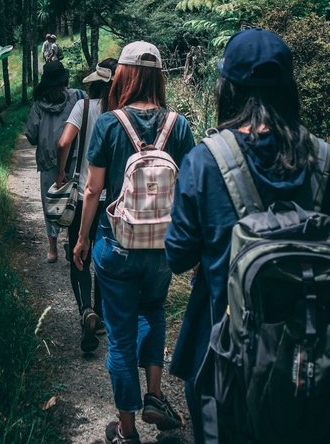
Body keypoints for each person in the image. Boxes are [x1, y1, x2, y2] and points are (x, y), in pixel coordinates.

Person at [164, 27, 330, 444]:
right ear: (289, 89)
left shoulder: (206, 161)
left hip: (226, 364)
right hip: (312, 364)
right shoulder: (327, 162)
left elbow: (177, 256)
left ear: (227, 89)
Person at [73, 40, 195, 444]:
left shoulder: (110, 123)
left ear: (122, 75)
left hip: (117, 242)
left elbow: (92, 191)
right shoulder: (178, 125)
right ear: (159, 77)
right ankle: (155, 396)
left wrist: (83, 238)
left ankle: (126, 431)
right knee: (154, 312)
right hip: (163, 245)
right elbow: (191, 188)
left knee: (120, 336)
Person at [56, 58, 118, 353]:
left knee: (78, 254)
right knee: (103, 257)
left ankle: (85, 310)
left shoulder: (83, 107)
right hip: (114, 201)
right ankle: (102, 316)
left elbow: (62, 142)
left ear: (94, 82)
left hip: (83, 196)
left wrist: (60, 173)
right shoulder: (121, 113)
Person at [25, 60, 85, 263]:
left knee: (50, 203)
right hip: (75, 158)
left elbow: (31, 135)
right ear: (64, 79)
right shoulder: (77, 96)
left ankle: (52, 249)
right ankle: (72, 241)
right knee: (75, 201)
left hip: (48, 161)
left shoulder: (38, 105)